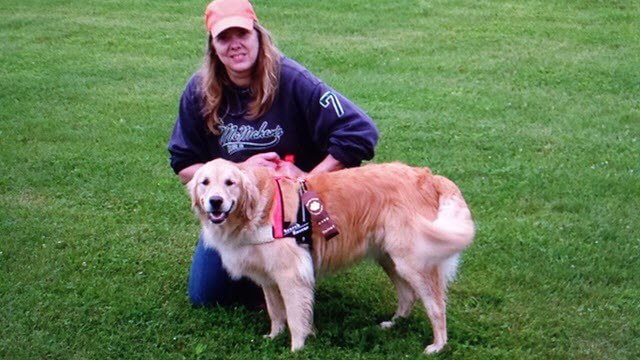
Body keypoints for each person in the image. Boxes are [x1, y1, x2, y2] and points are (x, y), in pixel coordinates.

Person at [168, 0, 379, 308]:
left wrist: (308, 181)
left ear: (258, 35)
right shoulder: (198, 90)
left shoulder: (293, 79)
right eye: (224, 38)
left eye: (242, 33)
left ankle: (297, 260)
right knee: (207, 295)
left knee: (283, 267)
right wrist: (240, 170)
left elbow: (360, 131)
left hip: (293, 210)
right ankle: (272, 269)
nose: (235, 44)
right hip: (236, 209)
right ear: (213, 47)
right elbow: (184, 164)